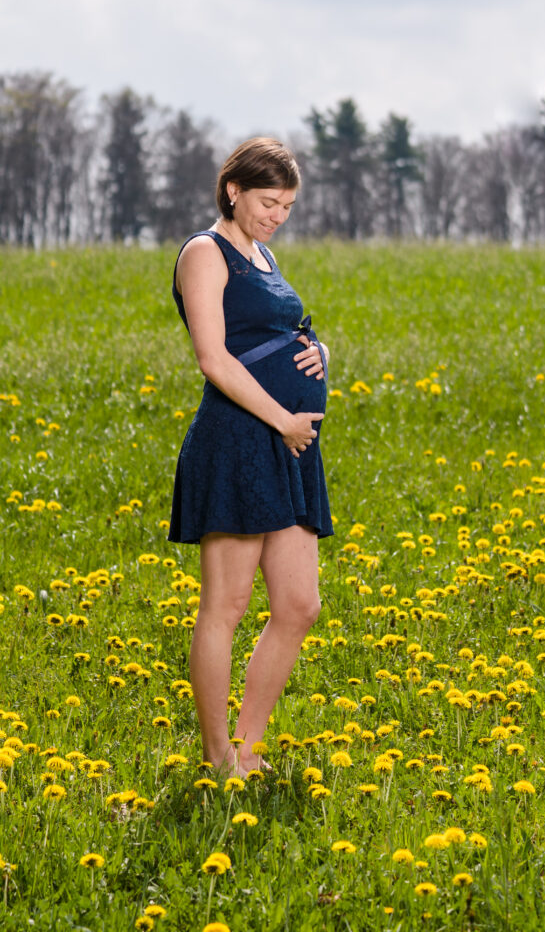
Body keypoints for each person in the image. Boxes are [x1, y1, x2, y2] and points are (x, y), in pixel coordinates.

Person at [168, 137, 333, 777]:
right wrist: (282, 418)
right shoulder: (205, 254)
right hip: (240, 439)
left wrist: (322, 356)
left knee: (298, 605)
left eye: (288, 207)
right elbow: (214, 358)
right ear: (233, 190)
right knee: (227, 607)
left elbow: (281, 334)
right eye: (269, 202)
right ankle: (216, 760)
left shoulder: (261, 253)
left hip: (289, 444)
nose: (277, 217)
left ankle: (248, 747)